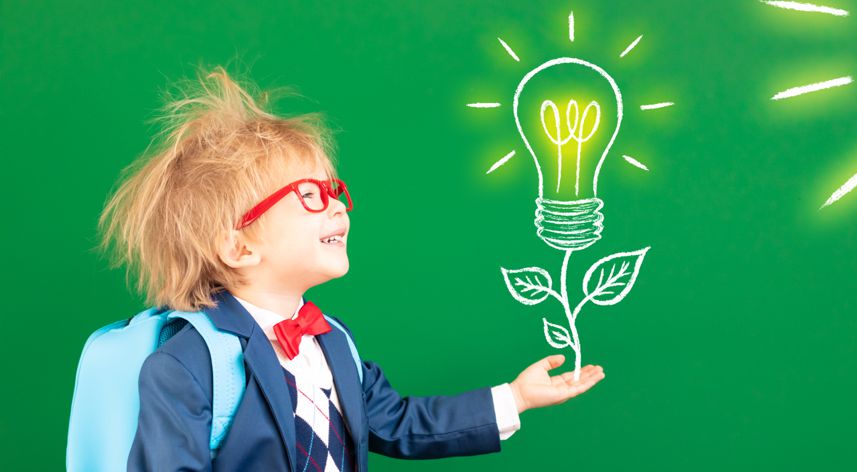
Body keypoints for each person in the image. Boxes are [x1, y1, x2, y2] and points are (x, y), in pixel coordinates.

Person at [98, 67, 605, 471]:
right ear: (239, 247)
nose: (339, 208)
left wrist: (513, 398)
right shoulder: (188, 362)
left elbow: (398, 423)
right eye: (309, 197)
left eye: (335, 193)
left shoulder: (334, 339)